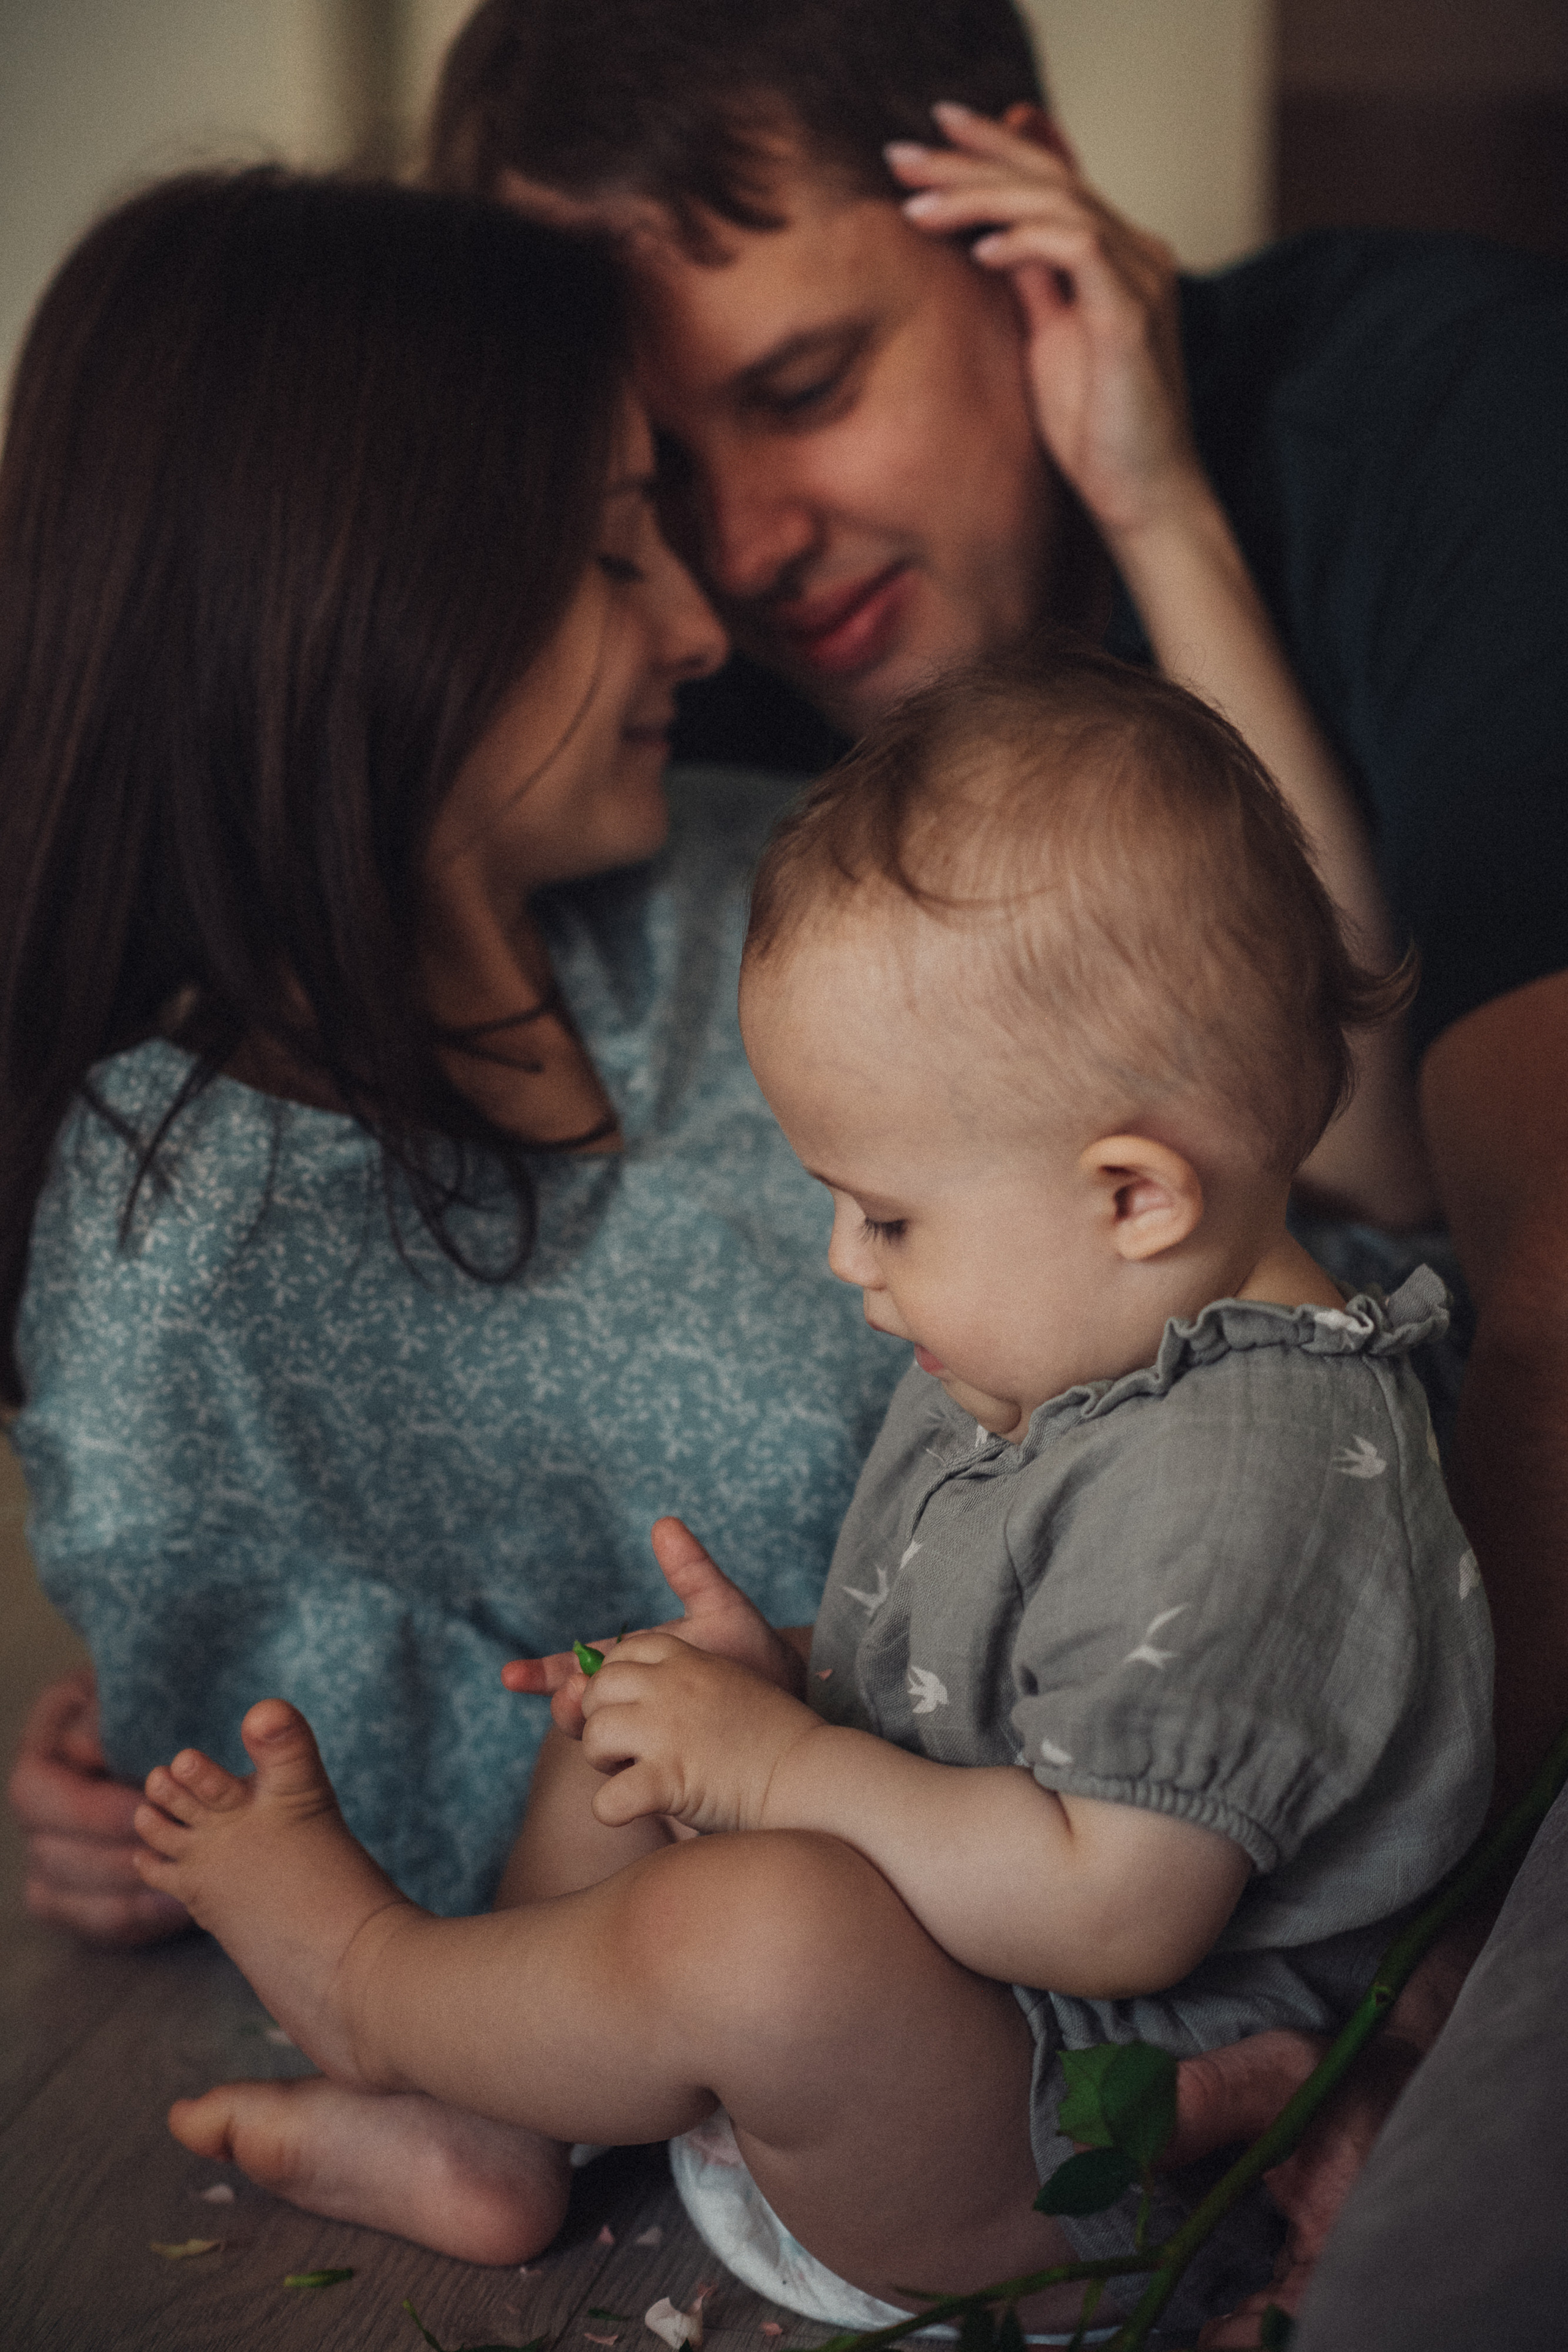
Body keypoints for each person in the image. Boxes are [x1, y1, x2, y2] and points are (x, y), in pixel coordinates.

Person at [129, 652, 1494, 2346]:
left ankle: (372, 1991)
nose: (848, 1261)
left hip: (1098, 2160)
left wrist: (781, 1767)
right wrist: (784, 1683)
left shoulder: (1245, 1480)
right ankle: (491, 2122)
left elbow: (1114, 1906)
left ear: (1133, 1195)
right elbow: (1004, 1698)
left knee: (757, 1930)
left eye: (888, 1216)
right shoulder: (1080, 1347)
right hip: (965, 2013)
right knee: (627, 1715)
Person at [0, 170, 903, 1992]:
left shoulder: (761, 870)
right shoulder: (183, 1272)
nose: (701, 629)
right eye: (615, 551)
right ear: (355, 595)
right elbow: (415, 1927)